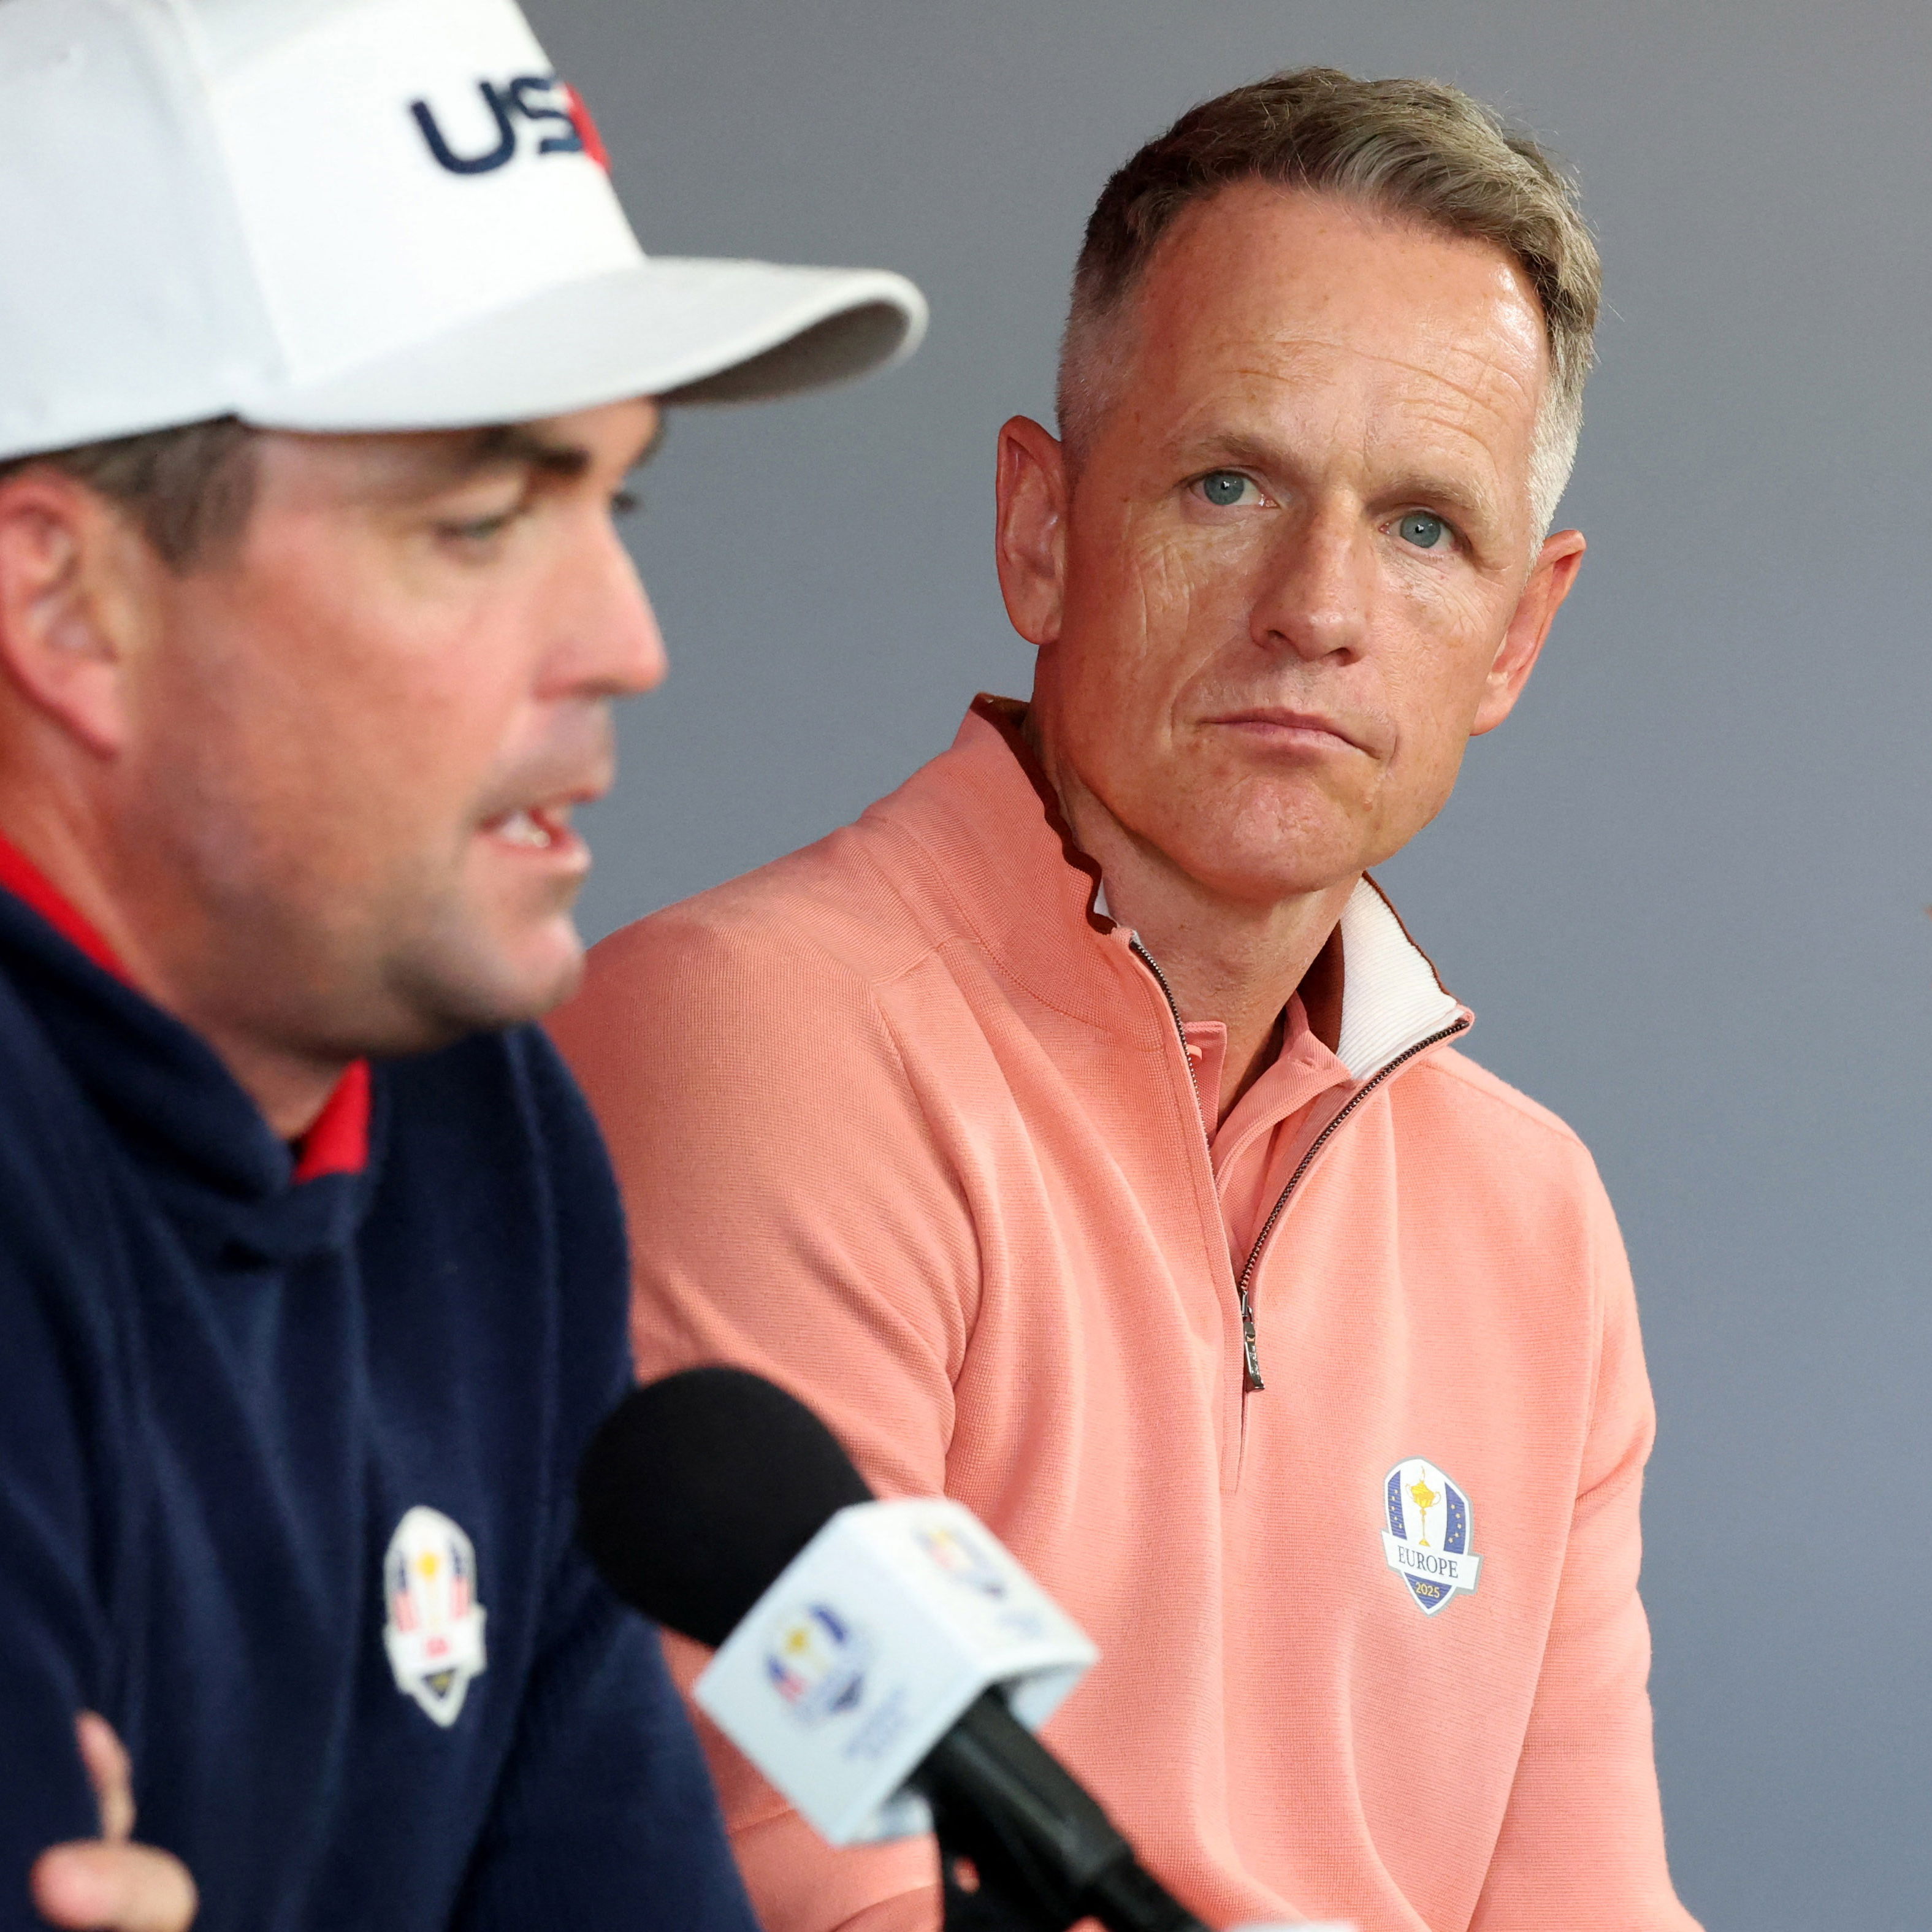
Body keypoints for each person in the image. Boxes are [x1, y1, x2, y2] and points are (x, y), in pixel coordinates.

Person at [551, 68, 1703, 1932]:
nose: (1318, 605)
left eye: (1424, 527)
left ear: (1519, 632)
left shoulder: (1536, 1220)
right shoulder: (751, 1036)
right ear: (1044, 529)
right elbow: (812, 1896)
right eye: (1230, 480)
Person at [0, 1, 925, 1928]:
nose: (628, 639)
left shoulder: (475, 1121)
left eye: (617, 499)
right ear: (65, 602)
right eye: (483, 520)